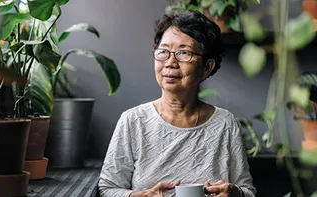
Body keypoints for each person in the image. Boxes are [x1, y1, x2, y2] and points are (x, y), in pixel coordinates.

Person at [98, 7, 256, 197]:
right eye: (163, 51)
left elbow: (247, 191)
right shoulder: (133, 121)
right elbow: (107, 189)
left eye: (183, 53)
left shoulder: (225, 124)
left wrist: (235, 193)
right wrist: (140, 196)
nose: (170, 62)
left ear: (207, 67)